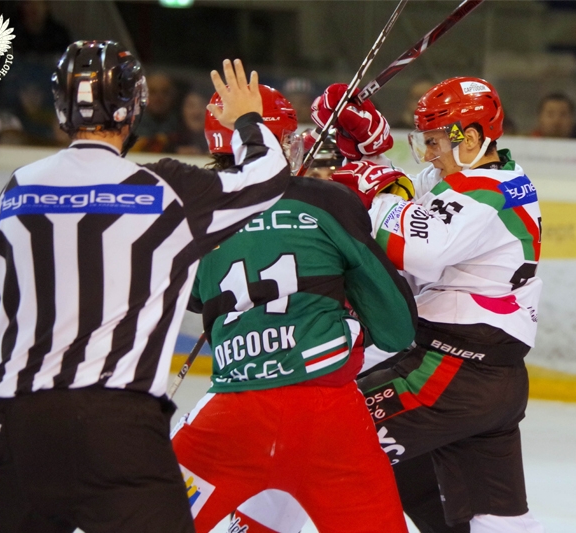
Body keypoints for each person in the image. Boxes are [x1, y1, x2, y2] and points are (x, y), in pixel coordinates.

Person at [0, 41, 290, 533]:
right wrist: (245, 119)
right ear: (133, 105)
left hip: (18, 420)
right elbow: (269, 178)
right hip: (119, 428)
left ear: (61, 106)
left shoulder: (19, 187)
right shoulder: (166, 189)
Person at [233, 77, 545, 533]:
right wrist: (368, 155)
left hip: (447, 371)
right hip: (487, 378)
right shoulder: (481, 179)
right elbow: (413, 196)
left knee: (310, 444)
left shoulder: (487, 191)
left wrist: (375, 190)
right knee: (494, 516)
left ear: (472, 137)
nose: (428, 153)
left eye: (435, 141)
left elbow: (417, 246)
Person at [171, 83, 418, 532]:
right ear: (281, 141)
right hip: (329, 419)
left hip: (231, 416)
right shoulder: (325, 201)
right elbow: (398, 329)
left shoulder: (193, 216)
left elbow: (194, 298)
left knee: (142, 517)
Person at [169, 88, 210, 155]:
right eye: (190, 105)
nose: (196, 112)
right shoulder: (170, 139)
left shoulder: (223, 141)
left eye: (202, 105)